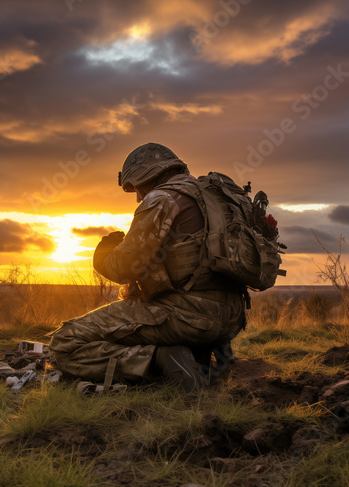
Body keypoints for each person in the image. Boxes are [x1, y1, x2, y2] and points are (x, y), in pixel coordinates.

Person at [49, 143, 247, 391]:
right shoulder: (216, 199)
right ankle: (211, 354)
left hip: (190, 319)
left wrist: (103, 252)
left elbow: (124, 268)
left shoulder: (163, 198)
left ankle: (160, 361)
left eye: (137, 188)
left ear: (147, 175)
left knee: (65, 343)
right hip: (231, 319)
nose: (137, 197)